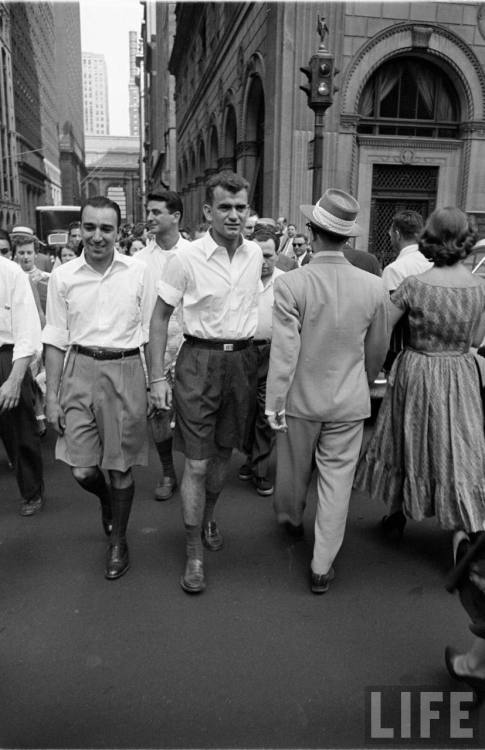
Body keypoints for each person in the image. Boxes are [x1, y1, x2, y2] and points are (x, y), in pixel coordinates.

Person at [265, 189, 388, 594]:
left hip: (301, 399)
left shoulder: (293, 284)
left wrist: (274, 403)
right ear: (347, 238)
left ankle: (291, 520)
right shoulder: (373, 286)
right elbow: (377, 349)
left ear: (312, 233)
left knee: (295, 473)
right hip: (349, 400)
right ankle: (322, 564)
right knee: (337, 483)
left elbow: (285, 351)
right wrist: (363, 382)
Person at [149, 170, 261, 595]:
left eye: (241, 208)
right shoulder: (186, 258)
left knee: (221, 459)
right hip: (198, 360)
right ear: (208, 211)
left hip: (242, 363)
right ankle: (193, 550)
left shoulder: (255, 255)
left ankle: (209, 514)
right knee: (196, 462)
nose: (234, 216)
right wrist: (158, 376)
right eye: (225, 208)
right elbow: (159, 319)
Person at [355, 207, 485, 542]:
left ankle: (397, 516)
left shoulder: (414, 285)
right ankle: (462, 524)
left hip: (418, 368)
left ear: (430, 236)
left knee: (405, 438)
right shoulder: (479, 287)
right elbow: (474, 340)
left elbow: (381, 328)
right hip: (460, 373)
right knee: (458, 445)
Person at [43, 196, 152, 580]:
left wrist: (156, 383)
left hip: (124, 369)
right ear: (80, 229)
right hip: (78, 367)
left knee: (120, 467)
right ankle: (107, 501)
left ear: (119, 232)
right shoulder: (63, 276)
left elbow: (153, 331)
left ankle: (119, 541)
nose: (97, 236)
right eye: (90, 227)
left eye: (106, 228)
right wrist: (51, 397)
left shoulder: (139, 272)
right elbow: (55, 338)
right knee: (83, 471)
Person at [137, 190, 191, 501]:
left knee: (197, 415)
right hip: (154, 350)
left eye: (157, 212)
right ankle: (169, 472)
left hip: (191, 348)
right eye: (149, 211)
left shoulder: (195, 255)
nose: (150, 217)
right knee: (158, 415)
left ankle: (196, 473)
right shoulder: (139, 262)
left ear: (176, 216)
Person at [239, 227, 284, 496]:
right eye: (259, 255)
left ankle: (261, 468)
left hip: (274, 353)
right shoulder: (240, 281)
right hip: (242, 353)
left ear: (278, 254)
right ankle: (249, 457)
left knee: (267, 412)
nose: (264, 261)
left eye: (269, 254)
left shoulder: (288, 282)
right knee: (244, 412)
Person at [0, 253, 44, 516]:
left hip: (7, 356)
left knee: (19, 430)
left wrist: (15, 378)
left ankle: (31, 490)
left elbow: (28, 330)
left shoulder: (10, 273)